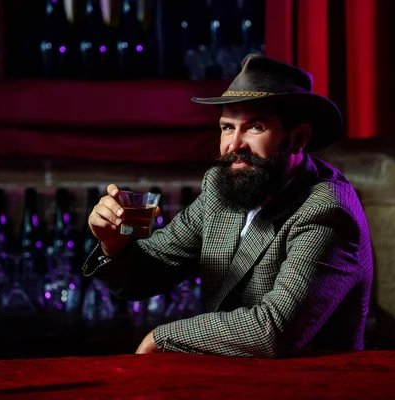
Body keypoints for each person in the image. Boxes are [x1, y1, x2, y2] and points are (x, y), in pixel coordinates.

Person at [83, 54, 373, 358]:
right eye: (226, 128)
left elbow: (274, 331)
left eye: (255, 127)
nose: (234, 145)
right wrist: (113, 243)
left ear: (298, 138)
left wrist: (162, 336)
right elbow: (147, 273)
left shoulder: (327, 210)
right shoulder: (223, 188)